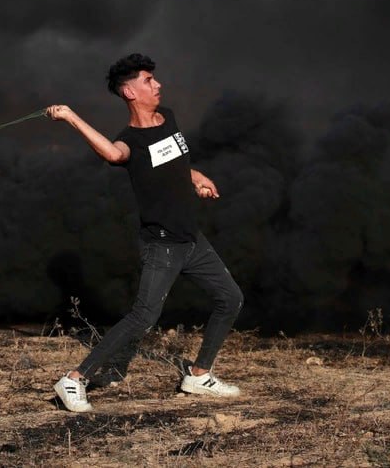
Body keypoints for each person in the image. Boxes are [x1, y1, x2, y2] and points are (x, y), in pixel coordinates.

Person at [47, 53, 244, 413]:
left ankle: (198, 375)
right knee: (143, 317)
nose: (158, 84)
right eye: (148, 80)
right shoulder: (129, 141)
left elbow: (174, 162)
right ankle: (73, 379)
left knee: (230, 298)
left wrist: (196, 177)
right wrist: (71, 117)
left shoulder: (168, 118)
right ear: (129, 92)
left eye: (155, 78)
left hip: (192, 240)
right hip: (163, 245)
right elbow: (111, 153)